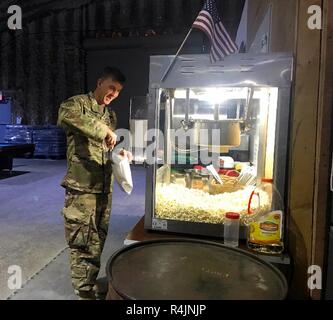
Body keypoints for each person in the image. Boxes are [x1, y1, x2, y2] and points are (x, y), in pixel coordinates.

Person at [57, 67, 132, 300]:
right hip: (82, 189)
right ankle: (83, 292)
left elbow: (108, 148)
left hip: (103, 188)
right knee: (82, 241)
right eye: (111, 87)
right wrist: (103, 130)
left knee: (97, 239)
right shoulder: (76, 104)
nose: (114, 93)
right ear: (100, 82)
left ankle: (89, 282)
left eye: (118, 91)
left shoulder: (110, 115)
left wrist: (120, 154)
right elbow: (65, 117)